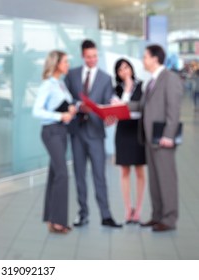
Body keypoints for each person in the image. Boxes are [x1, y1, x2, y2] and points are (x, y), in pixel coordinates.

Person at [64, 39, 122, 228]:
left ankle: (106, 215)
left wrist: (110, 110)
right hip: (77, 133)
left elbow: (107, 101)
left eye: (95, 56)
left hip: (96, 133)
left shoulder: (105, 78)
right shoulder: (72, 75)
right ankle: (83, 214)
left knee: (100, 176)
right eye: (88, 57)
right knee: (79, 175)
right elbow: (65, 99)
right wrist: (78, 105)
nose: (92, 60)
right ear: (83, 56)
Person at [133, 44, 182, 231]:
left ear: (155, 58)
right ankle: (157, 215)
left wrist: (169, 135)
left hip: (163, 139)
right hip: (150, 138)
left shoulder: (170, 78)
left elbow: (173, 110)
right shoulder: (151, 81)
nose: (143, 60)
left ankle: (169, 219)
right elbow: (142, 106)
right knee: (155, 179)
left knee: (167, 179)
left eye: (145, 57)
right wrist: (120, 106)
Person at [33, 50, 76, 234]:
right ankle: (58, 222)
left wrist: (72, 110)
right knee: (62, 175)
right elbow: (37, 111)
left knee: (54, 173)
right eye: (65, 62)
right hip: (51, 132)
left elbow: (64, 106)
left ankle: (51, 218)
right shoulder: (47, 85)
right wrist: (60, 115)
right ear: (57, 63)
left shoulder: (61, 85)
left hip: (61, 131)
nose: (68, 65)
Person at [113, 58, 146, 224]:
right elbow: (118, 108)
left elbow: (142, 107)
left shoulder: (142, 86)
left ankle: (138, 209)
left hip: (137, 130)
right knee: (124, 171)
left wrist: (128, 103)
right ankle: (128, 209)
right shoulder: (117, 89)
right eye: (120, 70)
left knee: (139, 171)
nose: (124, 71)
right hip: (123, 130)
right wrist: (126, 89)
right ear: (118, 74)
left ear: (131, 68)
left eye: (126, 67)